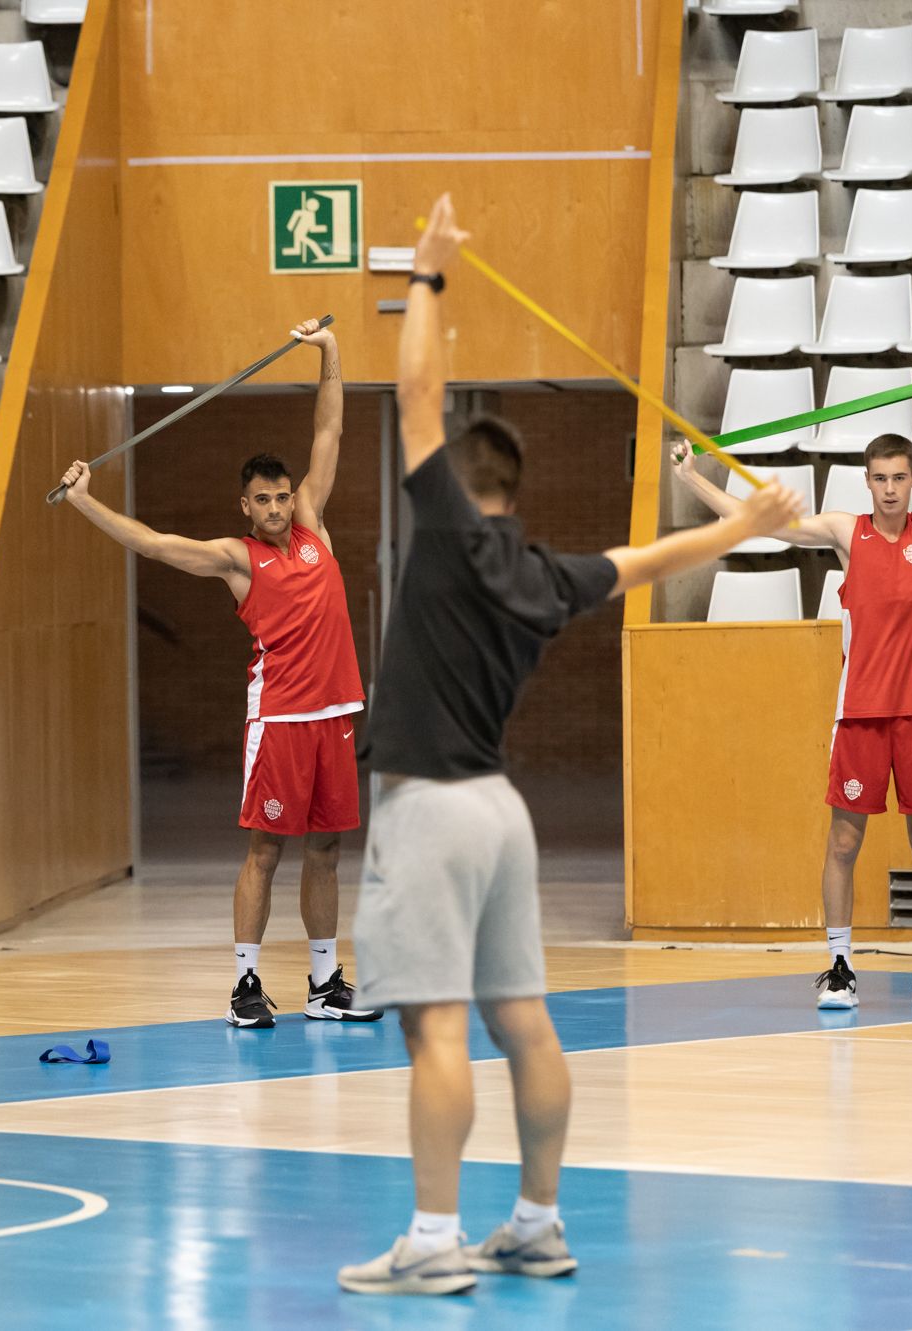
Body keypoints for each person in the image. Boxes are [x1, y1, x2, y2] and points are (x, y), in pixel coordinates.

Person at [337, 195, 806, 1296]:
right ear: (518, 492)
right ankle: (538, 1221)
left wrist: (428, 277)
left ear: (461, 482)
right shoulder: (546, 576)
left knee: (437, 1028)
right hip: (502, 813)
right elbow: (648, 558)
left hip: (430, 806)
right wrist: (747, 524)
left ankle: (432, 1237)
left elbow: (412, 397)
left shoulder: (447, 535)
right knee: (524, 1019)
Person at [670, 352, 912, 1012]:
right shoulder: (848, 532)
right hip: (861, 715)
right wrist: (693, 478)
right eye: (879, 479)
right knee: (843, 841)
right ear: (867, 482)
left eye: (899, 477)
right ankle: (838, 967)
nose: (890, 489)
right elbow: (763, 522)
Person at [58, 316, 378, 1027]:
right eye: (261, 499)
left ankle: (324, 983)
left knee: (326, 847)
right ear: (245, 506)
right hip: (280, 722)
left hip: (333, 716)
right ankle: (245, 985)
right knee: (265, 848)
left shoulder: (314, 525)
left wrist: (329, 349)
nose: (275, 507)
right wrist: (85, 500)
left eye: (281, 496)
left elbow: (328, 431)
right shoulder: (236, 558)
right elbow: (154, 544)